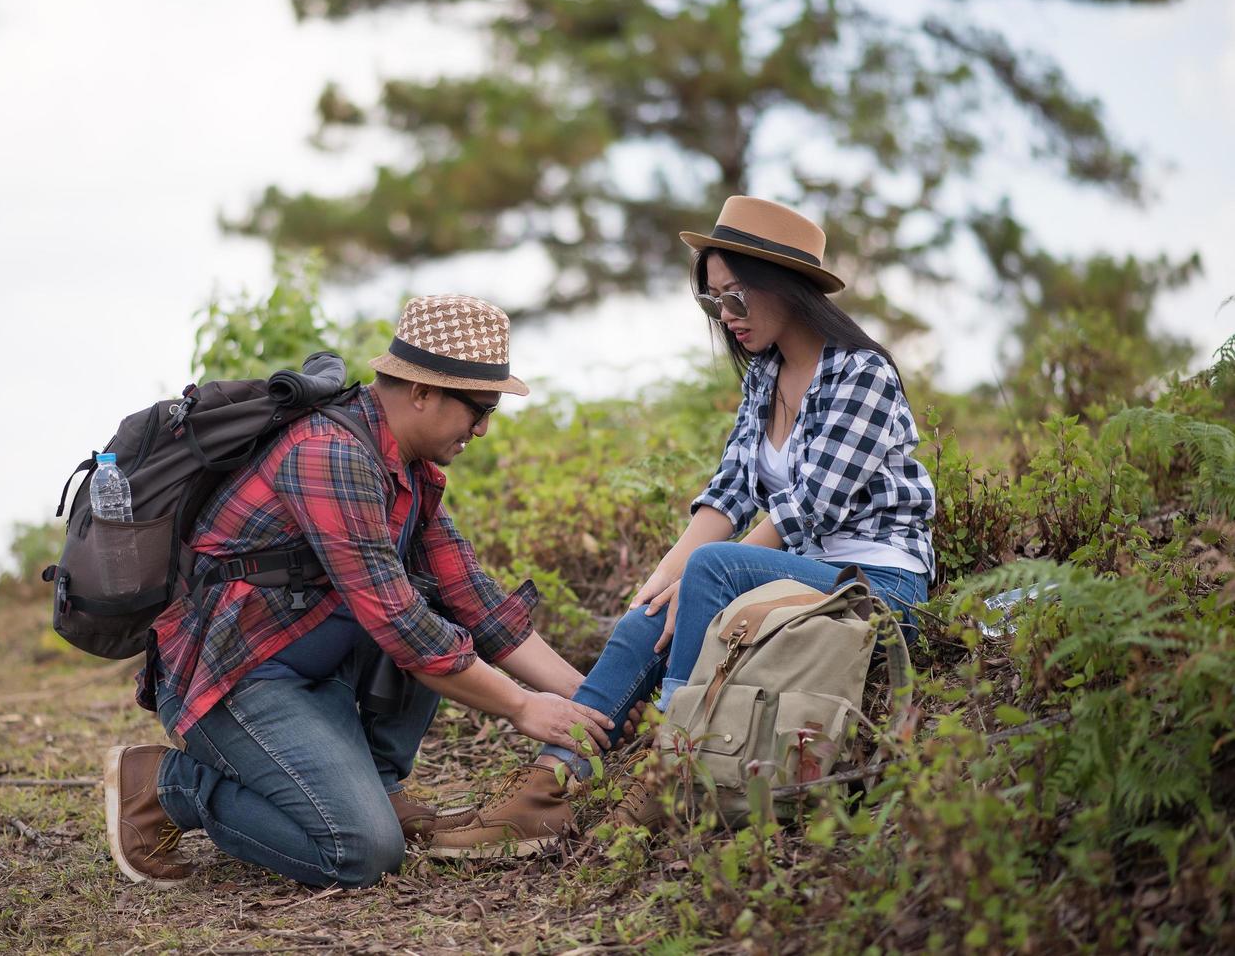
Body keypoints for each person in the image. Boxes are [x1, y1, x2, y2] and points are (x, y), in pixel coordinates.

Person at [429, 196, 936, 856]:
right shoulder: (766, 376)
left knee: (708, 573)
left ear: (788, 288)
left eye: (738, 298)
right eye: (714, 303)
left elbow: (803, 510)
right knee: (650, 612)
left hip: (877, 582)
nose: (728, 318)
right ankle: (545, 791)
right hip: (796, 577)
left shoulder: (860, 373)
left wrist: (702, 579)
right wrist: (658, 586)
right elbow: (728, 493)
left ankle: (671, 767)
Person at [104, 294, 621, 889]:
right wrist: (525, 707)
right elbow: (403, 629)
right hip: (233, 677)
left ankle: (375, 783)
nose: (482, 428)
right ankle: (168, 787)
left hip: (308, 665)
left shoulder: (410, 469)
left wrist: (594, 703)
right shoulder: (331, 455)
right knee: (361, 851)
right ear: (422, 391)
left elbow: (475, 601)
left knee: (437, 600)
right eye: (477, 409)